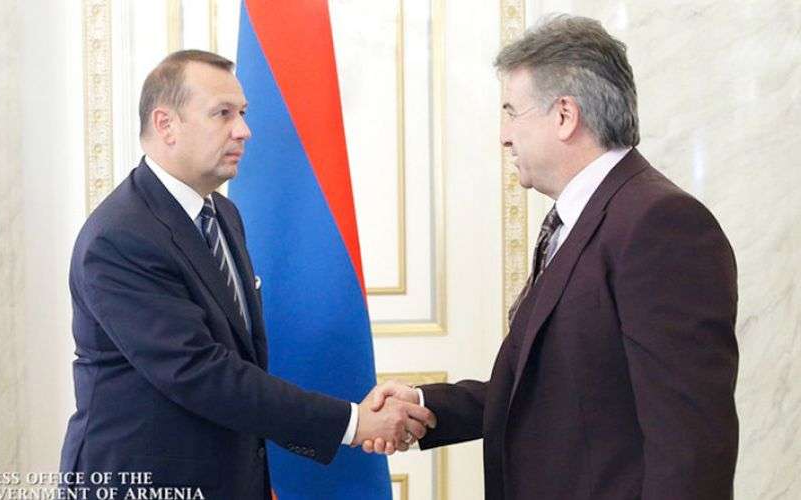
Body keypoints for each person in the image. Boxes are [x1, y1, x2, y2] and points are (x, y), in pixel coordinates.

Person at [367, 15, 739, 500]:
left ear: (564, 115)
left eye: (511, 112)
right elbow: (557, 389)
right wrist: (424, 405)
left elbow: (691, 444)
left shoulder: (661, 223)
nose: (504, 135)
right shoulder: (583, 217)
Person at [59, 49, 435, 499]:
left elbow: (239, 358)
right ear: (165, 124)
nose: (243, 130)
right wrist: (353, 423)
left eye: (242, 113)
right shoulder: (121, 237)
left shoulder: (223, 214)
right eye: (223, 113)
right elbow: (199, 372)